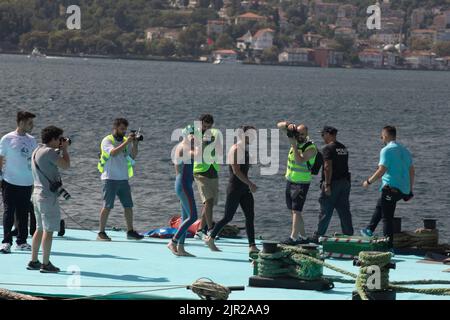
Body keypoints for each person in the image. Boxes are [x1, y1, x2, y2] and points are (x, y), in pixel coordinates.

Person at [205, 126, 259, 253]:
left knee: (250, 216)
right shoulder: (235, 149)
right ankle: (211, 238)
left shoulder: (245, 150)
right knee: (228, 217)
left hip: (244, 188)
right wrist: (250, 183)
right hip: (235, 188)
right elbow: (236, 171)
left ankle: (252, 245)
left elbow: (245, 168)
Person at [361, 126, 415, 249]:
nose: (381, 138)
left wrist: (368, 182)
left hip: (391, 188)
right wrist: (410, 190)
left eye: (382, 136)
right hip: (403, 190)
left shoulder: (386, 150)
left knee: (387, 218)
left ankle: (388, 247)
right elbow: (412, 171)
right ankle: (369, 229)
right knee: (381, 204)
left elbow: (382, 170)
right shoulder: (405, 150)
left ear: (385, 136)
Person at [28, 126, 70, 272]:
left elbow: (47, 161)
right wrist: (65, 149)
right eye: (59, 139)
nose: (61, 141)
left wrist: (60, 148)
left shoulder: (37, 150)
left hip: (36, 195)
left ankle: (33, 261)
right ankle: (45, 264)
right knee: (49, 230)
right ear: (53, 139)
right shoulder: (51, 152)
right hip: (47, 197)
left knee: (39, 229)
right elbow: (66, 165)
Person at [97, 118, 143, 241]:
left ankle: (130, 231)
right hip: (110, 178)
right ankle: (101, 232)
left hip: (123, 178)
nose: (124, 132)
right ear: (115, 128)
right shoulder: (107, 140)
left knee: (128, 206)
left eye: (125, 129)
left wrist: (135, 144)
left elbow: (132, 157)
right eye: (122, 129)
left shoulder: (124, 141)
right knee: (107, 206)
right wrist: (127, 142)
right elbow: (113, 153)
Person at [0, 111, 38, 254]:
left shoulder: (32, 140)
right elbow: (0, 159)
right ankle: (6, 242)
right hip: (10, 182)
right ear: (21, 122)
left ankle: (21, 241)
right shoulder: (7, 139)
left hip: (27, 183)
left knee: (24, 213)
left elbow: (35, 160)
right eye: (30, 123)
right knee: (9, 212)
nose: (32, 125)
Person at [277, 121, 318, 245]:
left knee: (296, 211)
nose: (300, 136)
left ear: (306, 135)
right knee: (293, 210)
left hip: (301, 183)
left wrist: (293, 145)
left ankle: (293, 238)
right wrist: (289, 125)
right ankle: (304, 237)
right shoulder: (294, 139)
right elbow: (279, 125)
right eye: (298, 133)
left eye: (303, 134)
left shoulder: (311, 148)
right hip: (290, 181)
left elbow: (299, 160)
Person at [313, 126, 353, 240]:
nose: (322, 137)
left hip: (333, 183)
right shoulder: (343, 148)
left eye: (323, 135)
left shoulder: (328, 148)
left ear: (328, 134)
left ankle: (318, 236)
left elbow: (327, 167)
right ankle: (349, 235)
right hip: (345, 183)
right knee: (344, 211)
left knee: (325, 210)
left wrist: (327, 184)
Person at [168, 125, 200, 257]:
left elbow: (178, 169)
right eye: (192, 135)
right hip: (183, 185)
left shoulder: (185, 147)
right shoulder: (183, 147)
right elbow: (199, 155)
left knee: (186, 217)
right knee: (193, 217)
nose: (194, 137)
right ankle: (173, 242)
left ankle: (180, 248)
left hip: (183, 185)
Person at [193, 114, 222, 239]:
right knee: (208, 201)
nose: (206, 128)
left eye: (209, 126)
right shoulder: (194, 134)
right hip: (200, 172)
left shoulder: (215, 134)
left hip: (213, 170)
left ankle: (199, 231)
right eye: (204, 125)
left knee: (209, 203)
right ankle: (210, 230)